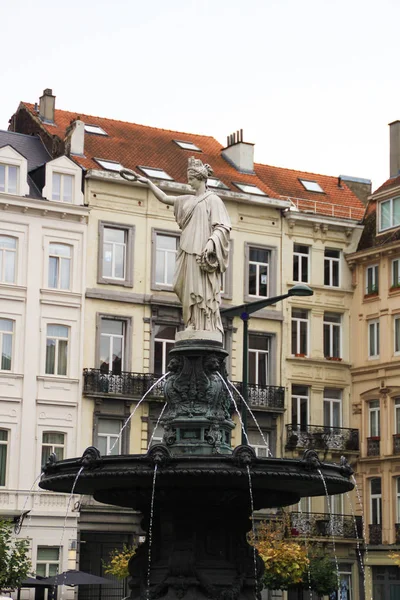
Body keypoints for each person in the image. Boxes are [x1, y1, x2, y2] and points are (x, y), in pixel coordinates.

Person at [121, 157, 231, 335]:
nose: (189, 182)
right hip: (187, 249)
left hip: (201, 252)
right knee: (183, 287)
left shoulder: (213, 200)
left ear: (201, 178)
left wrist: (211, 243)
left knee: (201, 289)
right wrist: (148, 182)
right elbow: (164, 198)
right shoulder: (187, 200)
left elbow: (223, 226)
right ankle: (191, 322)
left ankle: (203, 324)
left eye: (191, 178)